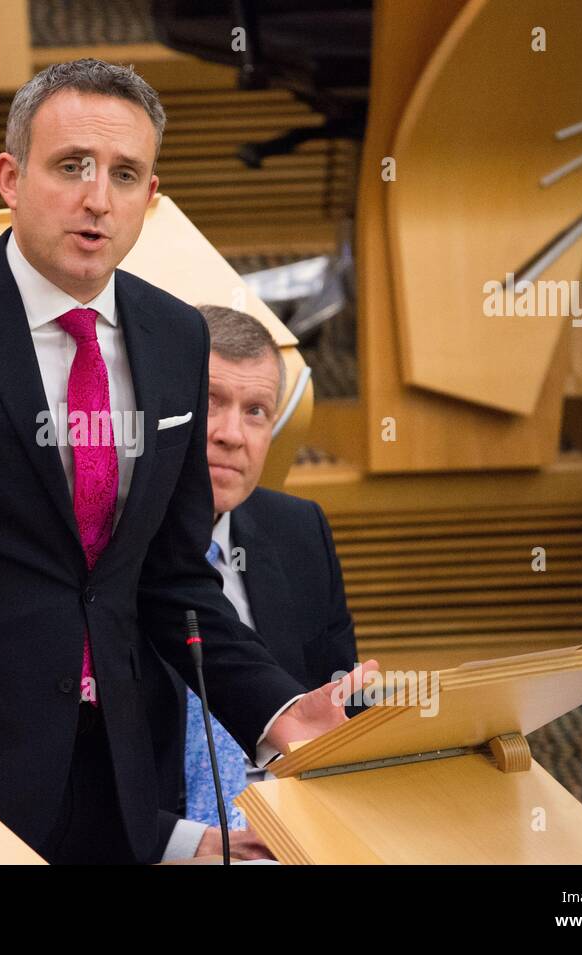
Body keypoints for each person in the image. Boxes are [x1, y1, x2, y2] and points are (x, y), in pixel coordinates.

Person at [0, 58, 375, 864]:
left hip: (115, 782)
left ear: (151, 199)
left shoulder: (177, 337)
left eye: (125, 175)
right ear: (10, 178)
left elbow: (172, 578)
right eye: (72, 167)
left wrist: (276, 708)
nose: (98, 198)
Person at [151, 305, 360, 862]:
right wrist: (185, 844)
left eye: (256, 412)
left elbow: (340, 715)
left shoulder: (297, 530)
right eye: (210, 403)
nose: (230, 436)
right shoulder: (101, 548)